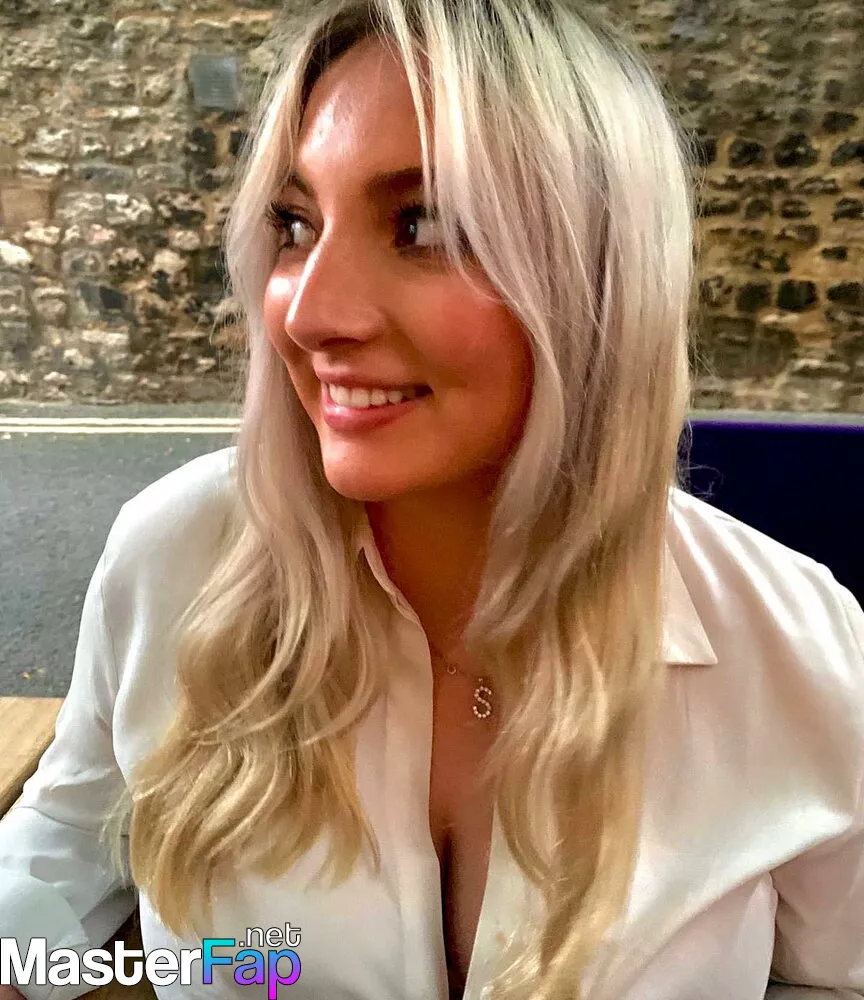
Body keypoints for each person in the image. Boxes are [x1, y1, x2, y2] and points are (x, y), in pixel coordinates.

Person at [1, 0, 863, 998]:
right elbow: (70, 838)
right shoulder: (176, 554)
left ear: (602, 275)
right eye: (295, 224)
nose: (311, 313)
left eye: (424, 225)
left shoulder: (798, 649)